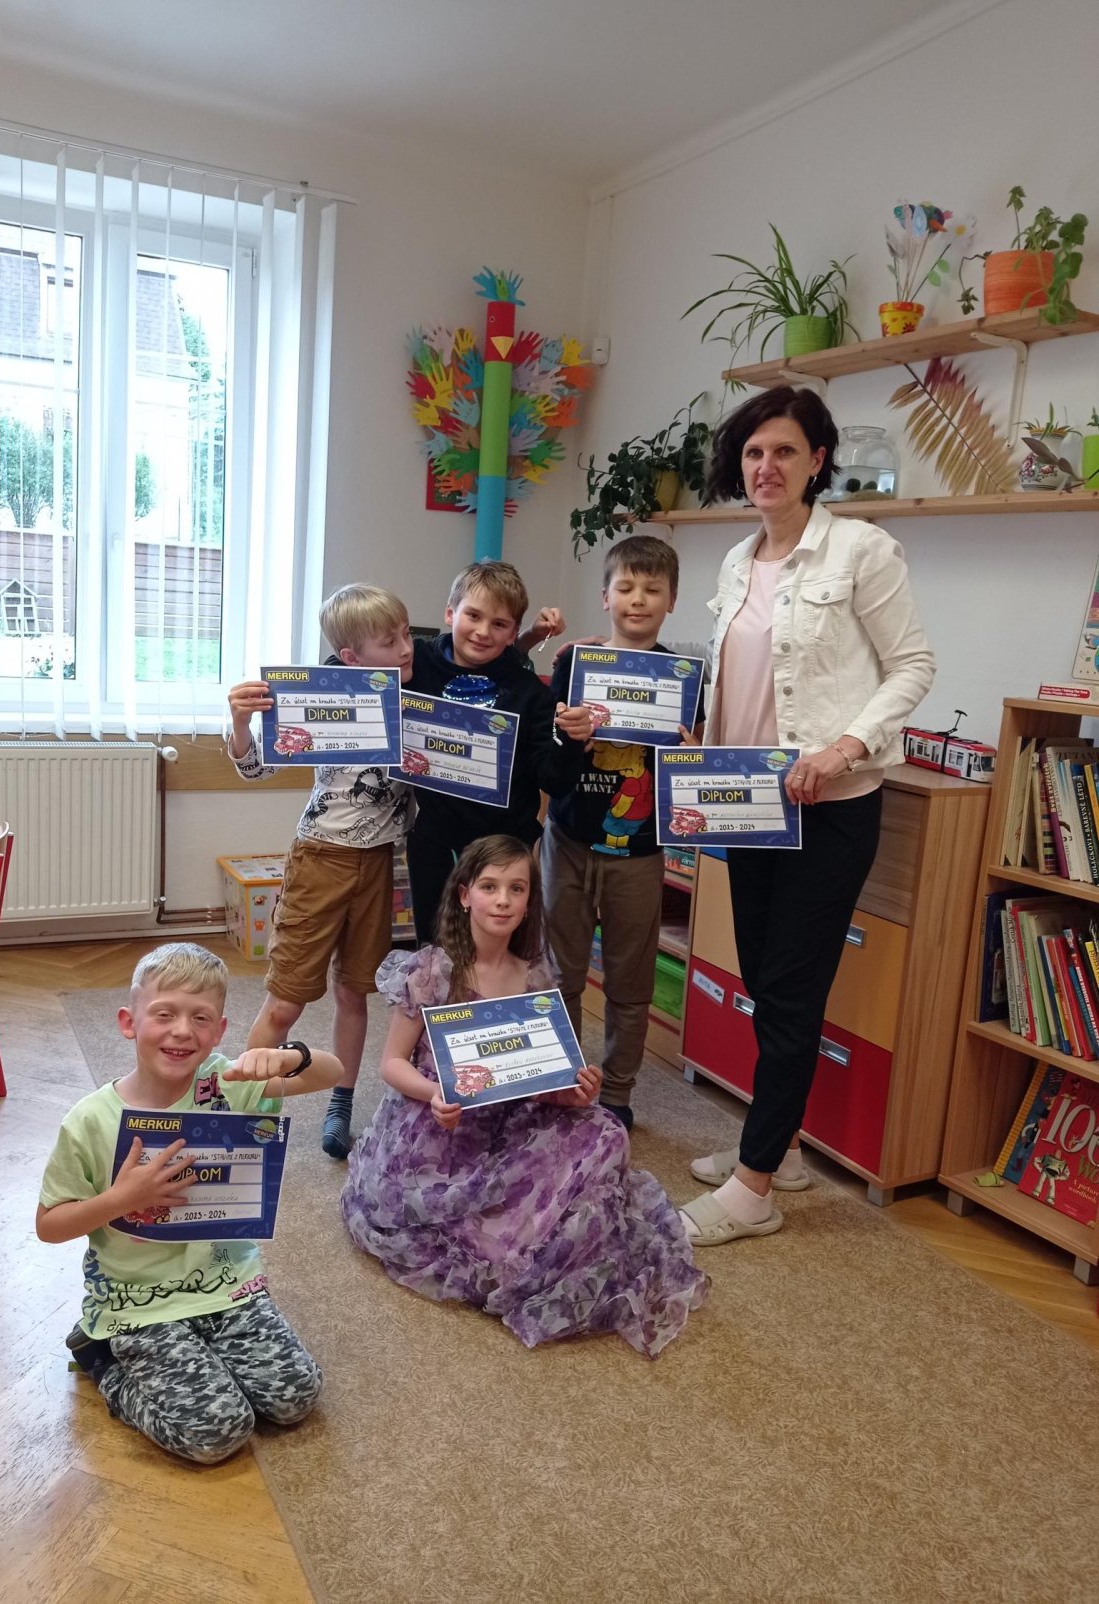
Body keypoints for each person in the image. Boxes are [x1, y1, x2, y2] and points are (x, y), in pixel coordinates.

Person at [678, 385, 935, 1247]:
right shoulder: (736, 560)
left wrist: (845, 748)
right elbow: (737, 680)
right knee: (762, 977)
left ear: (818, 460)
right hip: (745, 801)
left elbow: (913, 665)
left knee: (791, 989)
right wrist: (699, 738)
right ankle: (780, 1146)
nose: (767, 467)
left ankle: (753, 1189)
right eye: (754, 452)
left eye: (784, 451)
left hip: (827, 808)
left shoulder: (861, 550)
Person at [341, 834, 707, 1354]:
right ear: (464, 895)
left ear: (531, 900)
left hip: (512, 1117)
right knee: (474, 1230)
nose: (503, 900)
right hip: (439, 1123)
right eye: (490, 887)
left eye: (517, 889)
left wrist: (573, 1093)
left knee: (606, 1130)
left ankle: (529, 1229)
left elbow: (542, 1078)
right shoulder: (432, 970)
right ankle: (512, 1236)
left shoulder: (535, 975)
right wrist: (435, 1093)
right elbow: (391, 1064)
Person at [37, 942, 342, 1464]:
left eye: (200, 1018)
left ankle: (206, 1354)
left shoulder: (227, 1083)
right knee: (217, 1434)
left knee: (296, 1398)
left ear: (219, 1031)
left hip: (228, 1284)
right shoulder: (89, 1121)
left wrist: (293, 1057)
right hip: (138, 1300)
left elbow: (329, 1074)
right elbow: (49, 1226)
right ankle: (101, 1360)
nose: (182, 1031)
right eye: (164, 1014)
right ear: (128, 1022)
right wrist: (120, 1199)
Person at [227, 584, 417, 1160]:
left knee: (355, 993)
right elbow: (255, 770)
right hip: (320, 860)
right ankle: (242, 1114)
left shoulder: (418, 701)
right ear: (353, 658)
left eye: (407, 634)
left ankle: (341, 1102)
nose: (407, 648)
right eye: (391, 641)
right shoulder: (318, 695)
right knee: (285, 1000)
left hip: (380, 863)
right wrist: (240, 723)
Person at [541, 534, 703, 1132]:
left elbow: (687, 775)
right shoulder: (572, 664)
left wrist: (693, 755)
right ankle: (561, 1082)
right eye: (626, 588)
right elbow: (551, 764)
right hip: (568, 839)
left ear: (671, 600)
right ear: (605, 596)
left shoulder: (683, 678)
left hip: (639, 850)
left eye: (652, 590)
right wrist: (569, 734)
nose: (638, 600)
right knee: (561, 972)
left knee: (630, 980)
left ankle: (616, 1091)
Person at [405, 560, 593, 942]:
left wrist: (572, 740)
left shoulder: (531, 694)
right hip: (434, 842)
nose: (482, 632)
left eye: (499, 624)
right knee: (435, 952)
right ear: (450, 612)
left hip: (504, 849)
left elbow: (554, 780)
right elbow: (355, 663)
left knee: (499, 953)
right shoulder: (416, 663)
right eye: (473, 615)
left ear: (512, 633)